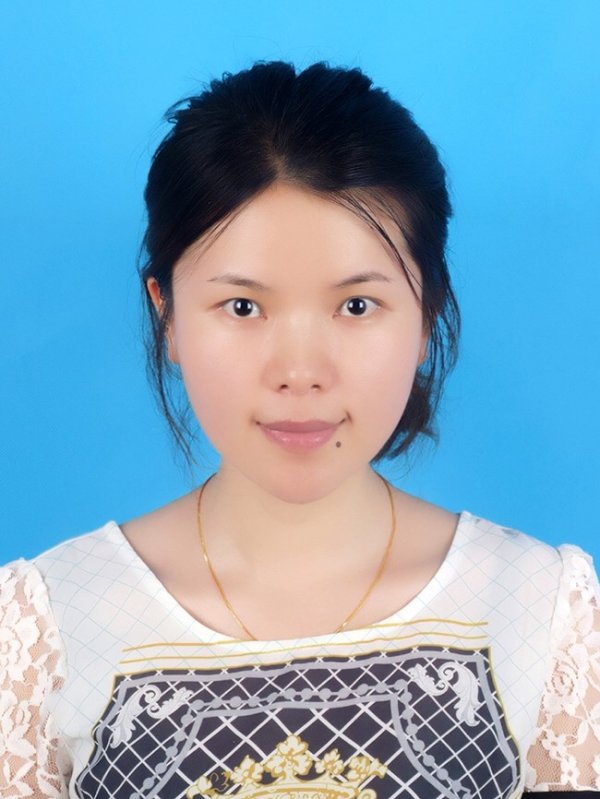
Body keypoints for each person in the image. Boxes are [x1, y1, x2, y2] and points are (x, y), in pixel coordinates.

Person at [0, 60, 598, 799]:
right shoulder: (45, 627)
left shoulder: (541, 608)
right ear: (168, 314)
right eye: (243, 307)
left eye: (356, 306)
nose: (300, 372)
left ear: (426, 315)